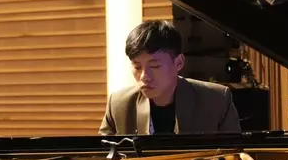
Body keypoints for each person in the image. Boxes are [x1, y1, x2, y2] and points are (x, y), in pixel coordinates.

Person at [99, 20, 241, 135]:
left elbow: (235, 158)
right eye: (137, 67)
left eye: (154, 66)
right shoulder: (118, 104)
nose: (144, 76)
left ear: (178, 62)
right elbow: (100, 159)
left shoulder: (216, 100)